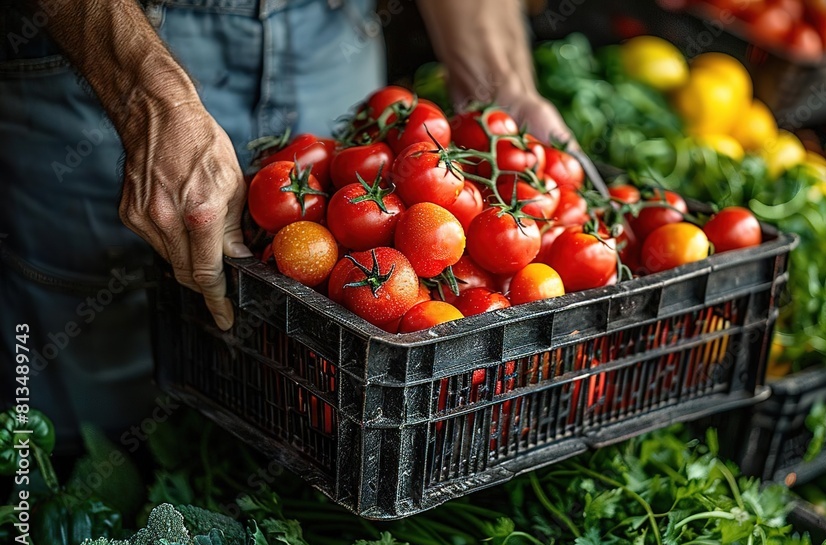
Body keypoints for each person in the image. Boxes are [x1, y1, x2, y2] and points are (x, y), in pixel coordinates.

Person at [0, 0, 571, 450]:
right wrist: (149, 102)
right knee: (86, 396)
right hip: (103, 46)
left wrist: (497, 85)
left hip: (329, 30)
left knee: (317, 383)